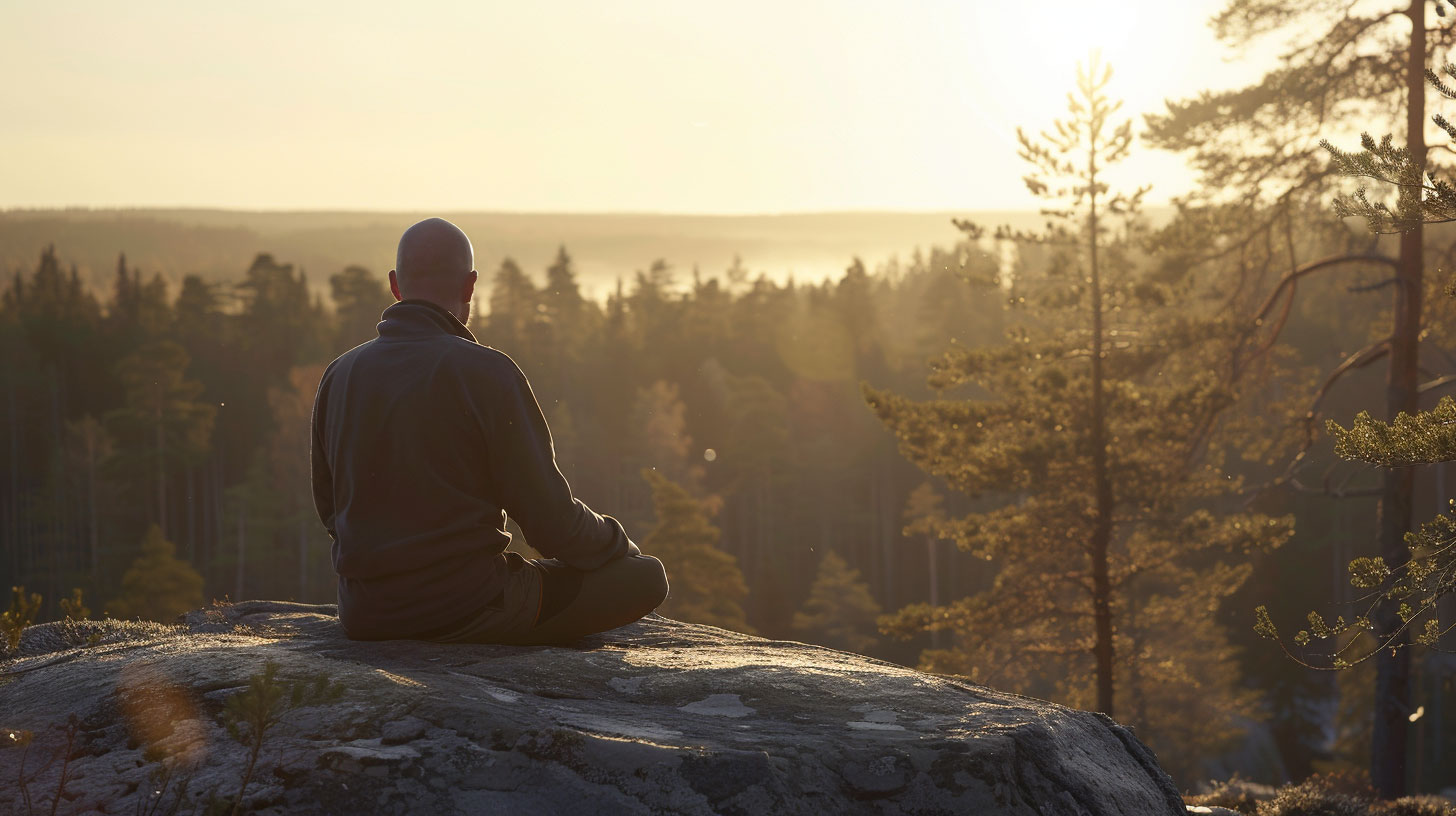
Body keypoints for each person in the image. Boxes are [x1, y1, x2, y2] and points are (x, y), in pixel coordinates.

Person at [310, 217, 668, 645]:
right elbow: (552, 524)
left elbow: (330, 510)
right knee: (647, 577)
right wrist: (617, 545)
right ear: (470, 286)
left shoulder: (340, 373)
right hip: (467, 607)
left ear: (395, 286)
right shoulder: (486, 371)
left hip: (364, 614)